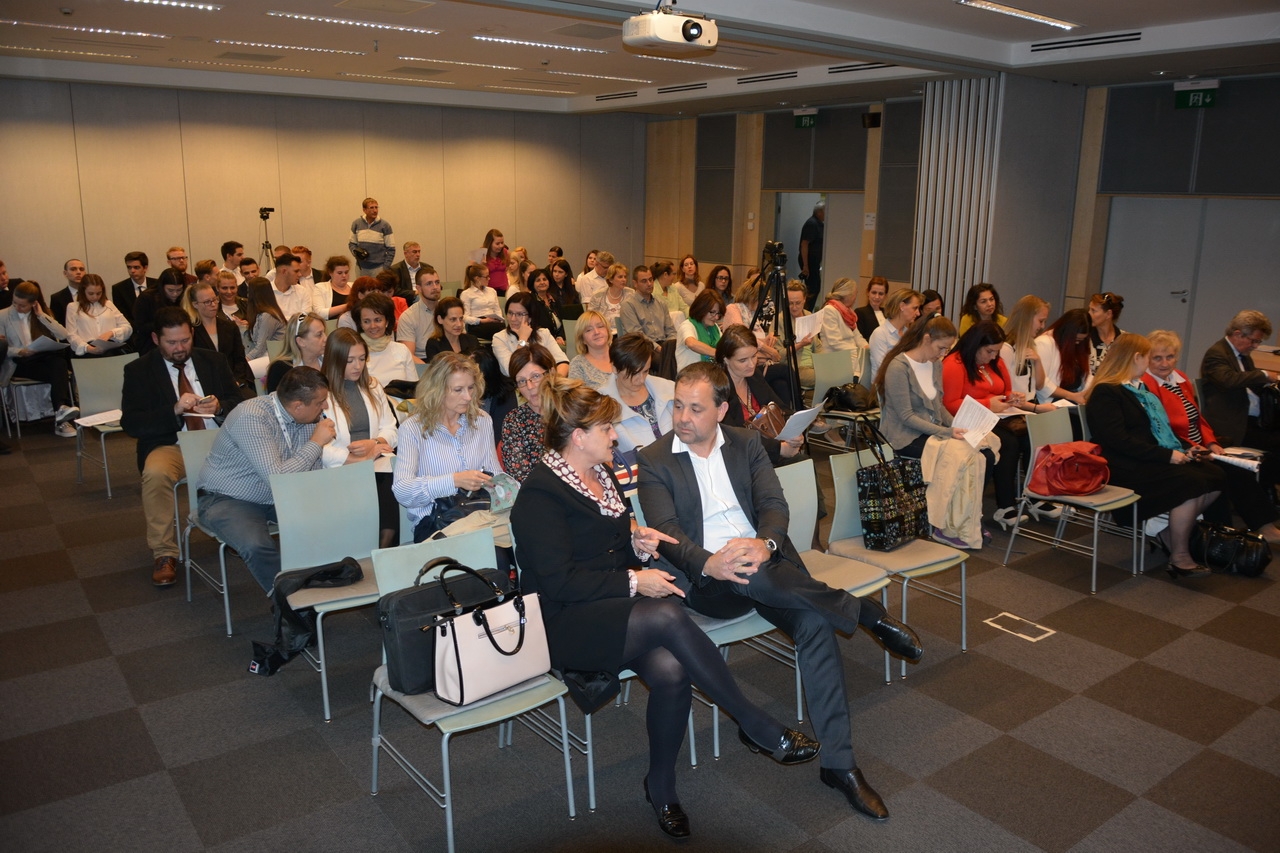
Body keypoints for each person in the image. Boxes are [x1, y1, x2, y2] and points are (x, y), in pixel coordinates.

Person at [513, 373, 821, 839]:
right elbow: (559, 582)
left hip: (612, 607)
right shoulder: (540, 494)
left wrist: (636, 544)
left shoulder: (601, 474)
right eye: (606, 428)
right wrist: (635, 579)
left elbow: (609, 546)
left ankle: (660, 785)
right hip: (564, 620)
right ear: (578, 437)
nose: (615, 435)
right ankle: (754, 722)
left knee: (673, 672)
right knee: (665, 612)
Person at [638, 362, 924, 826]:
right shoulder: (654, 458)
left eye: (695, 408)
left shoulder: (747, 443)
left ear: (721, 410)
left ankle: (840, 764)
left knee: (813, 623)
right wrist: (710, 562)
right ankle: (865, 613)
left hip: (771, 569)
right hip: (709, 581)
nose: (683, 417)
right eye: (677, 406)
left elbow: (773, 505)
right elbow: (667, 531)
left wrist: (765, 544)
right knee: (753, 574)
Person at [121, 307, 243, 586]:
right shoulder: (139, 371)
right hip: (171, 444)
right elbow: (132, 424)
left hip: (216, 441)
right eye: (172, 342)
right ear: (156, 339)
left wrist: (220, 406)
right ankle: (164, 552)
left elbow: (240, 401)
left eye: (185, 340)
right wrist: (174, 410)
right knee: (155, 474)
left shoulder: (213, 361)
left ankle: (239, 532)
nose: (180, 348)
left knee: (255, 459)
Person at [1085, 334, 1225, 578]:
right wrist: (1166, 455)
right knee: (1190, 482)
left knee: (1216, 475)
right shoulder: (1106, 392)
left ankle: (1168, 533)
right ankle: (1179, 556)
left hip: (1145, 458)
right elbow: (1118, 441)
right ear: (1136, 358)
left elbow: (1161, 430)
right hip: (1123, 465)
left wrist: (1185, 448)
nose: (1151, 362)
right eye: (1149, 357)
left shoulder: (1139, 388)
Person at [198, 366, 335, 591]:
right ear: (298, 406)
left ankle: (320, 583)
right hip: (228, 498)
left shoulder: (308, 418)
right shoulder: (251, 416)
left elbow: (310, 471)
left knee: (333, 519)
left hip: (278, 496)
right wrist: (316, 442)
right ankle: (290, 600)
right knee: (256, 545)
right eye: (320, 402)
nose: (325, 406)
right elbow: (277, 478)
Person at [1143, 329, 1280, 546]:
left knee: (1236, 469)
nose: (1165, 363)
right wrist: (1196, 448)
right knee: (1224, 473)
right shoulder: (1146, 385)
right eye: (1157, 358)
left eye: (1170, 357)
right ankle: (1221, 536)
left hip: (1199, 445)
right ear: (1146, 359)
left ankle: (1255, 528)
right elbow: (1163, 428)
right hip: (1178, 449)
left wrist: (1211, 441)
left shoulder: (1180, 378)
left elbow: (1198, 419)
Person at [873, 316, 989, 547]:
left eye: (947, 349)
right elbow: (906, 417)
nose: (943, 354)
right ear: (926, 339)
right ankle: (942, 522)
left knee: (983, 451)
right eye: (941, 348)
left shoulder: (935, 364)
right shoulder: (898, 367)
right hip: (902, 436)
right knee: (960, 456)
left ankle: (965, 519)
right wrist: (947, 432)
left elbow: (939, 407)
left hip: (928, 431)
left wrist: (958, 426)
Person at [941, 322, 1052, 529]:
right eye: (989, 351)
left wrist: (1013, 398)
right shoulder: (955, 364)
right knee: (1008, 443)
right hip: (969, 420)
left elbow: (1004, 391)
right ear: (975, 345)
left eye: (996, 352)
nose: (993, 356)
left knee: (1032, 436)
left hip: (997, 416)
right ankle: (1005, 506)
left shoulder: (995, 362)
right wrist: (987, 404)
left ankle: (1035, 496)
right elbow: (949, 404)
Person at [392, 352, 501, 543]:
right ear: (437, 390)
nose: (468, 396)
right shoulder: (412, 428)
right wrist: (454, 480)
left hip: (480, 516)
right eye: (458, 390)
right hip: (434, 522)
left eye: (471, 387)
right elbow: (402, 491)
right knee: (488, 552)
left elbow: (495, 473)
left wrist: (506, 487)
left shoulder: (482, 420)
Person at [321, 329, 399, 547]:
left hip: (377, 461)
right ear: (335, 360)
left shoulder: (372, 386)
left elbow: (391, 429)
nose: (358, 366)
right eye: (350, 361)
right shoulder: (321, 393)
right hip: (341, 467)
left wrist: (374, 443)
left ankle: (384, 549)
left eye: (362, 359)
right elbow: (318, 447)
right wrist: (357, 459)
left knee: (390, 486)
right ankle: (377, 550)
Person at [715, 324, 803, 465]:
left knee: (803, 463)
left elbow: (780, 407)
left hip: (766, 445)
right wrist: (779, 449)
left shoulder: (754, 377)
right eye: (743, 360)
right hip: (742, 455)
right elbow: (734, 435)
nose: (751, 364)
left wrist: (795, 431)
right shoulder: (718, 388)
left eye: (754, 356)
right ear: (725, 359)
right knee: (801, 463)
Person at [0, 281, 78, 435]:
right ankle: (61, 414)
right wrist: (20, 351)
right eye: (15, 303)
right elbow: (1, 348)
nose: (17, 307)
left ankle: (60, 411)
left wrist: (41, 315)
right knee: (58, 365)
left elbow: (63, 334)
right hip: (18, 362)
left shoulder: (42, 315)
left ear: (33, 303)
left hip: (39, 360)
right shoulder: (2, 315)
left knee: (59, 363)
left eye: (22, 305)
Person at [1200, 310, 1280, 454]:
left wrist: (1272, 384)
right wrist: (1264, 374)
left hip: (1252, 420)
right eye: (1253, 341)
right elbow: (1228, 380)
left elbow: (1253, 383)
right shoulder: (1216, 353)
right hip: (1235, 424)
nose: (1255, 346)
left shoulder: (1243, 355)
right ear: (1238, 334)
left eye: (1258, 342)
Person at [600, 333, 675, 461]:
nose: (641, 379)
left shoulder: (668, 388)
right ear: (615, 368)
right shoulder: (600, 404)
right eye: (634, 373)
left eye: (645, 371)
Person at [185, 280, 255, 400]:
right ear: (195, 304)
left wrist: (237, 381)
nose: (213, 304)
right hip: (206, 385)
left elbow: (239, 359)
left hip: (233, 381)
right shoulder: (191, 331)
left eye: (215, 299)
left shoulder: (230, 327)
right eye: (207, 302)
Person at [500, 343, 555, 483]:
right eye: (522, 381)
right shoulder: (514, 420)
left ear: (551, 373)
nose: (530, 386)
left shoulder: (572, 409)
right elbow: (520, 475)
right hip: (540, 491)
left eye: (535, 376)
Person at [491, 291, 570, 377]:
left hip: (546, 381)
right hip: (517, 383)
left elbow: (563, 362)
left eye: (519, 314)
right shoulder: (499, 338)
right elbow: (512, 370)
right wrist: (522, 339)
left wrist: (553, 382)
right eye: (510, 313)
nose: (513, 319)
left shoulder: (543, 333)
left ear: (530, 317)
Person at [355, 292, 416, 387]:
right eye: (366, 321)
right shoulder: (354, 353)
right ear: (361, 324)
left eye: (378, 320)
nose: (373, 326)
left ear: (387, 321)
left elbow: (414, 388)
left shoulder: (402, 350)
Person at [1033, 308, 1092, 405]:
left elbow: (1086, 376)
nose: (1077, 343)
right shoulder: (1044, 343)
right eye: (1076, 339)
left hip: (1072, 398)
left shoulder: (1081, 346)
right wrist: (1071, 396)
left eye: (1081, 340)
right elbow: (1041, 383)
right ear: (1067, 333)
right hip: (1052, 401)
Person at [65, 273, 131, 357]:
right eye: (91, 293)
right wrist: (87, 348)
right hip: (87, 351)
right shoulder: (73, 307)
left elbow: (127, 327)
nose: (95, 297)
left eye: (99, 293)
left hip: (110, 349)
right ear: (83, 291)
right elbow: (71, 335)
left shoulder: (108, 304)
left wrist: (112, 333)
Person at [999, 295, 1050, 400]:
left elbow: (1039, 386)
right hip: (1016, 406)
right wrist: (1036, 408)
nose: (1042, 326)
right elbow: (1004, 392)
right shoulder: (1007, 347)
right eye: (1041, 321)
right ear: (1027, 318)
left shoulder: (1030, 344)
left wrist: (1038, 361)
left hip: (1028, 403)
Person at [819, 278, 869, 379]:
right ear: (848, 295)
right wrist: (857, 351)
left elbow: (857, 336)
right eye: (855, 294)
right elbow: (835, 342)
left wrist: (868, 348)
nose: (855, 297)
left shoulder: (848, 312)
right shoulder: (829, 310)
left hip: (850, 356)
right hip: (836, 359)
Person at [867, 288, 922, 379]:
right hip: (886, 385)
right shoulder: (880, 334)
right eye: (915, 308)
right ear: (902, 306)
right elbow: (885, 369)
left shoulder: (909, 334)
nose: (918, 313)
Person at [619, 264, 676, 353]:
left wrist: (670, 347)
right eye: (644, 281)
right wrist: (659, 348)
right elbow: (637, 335)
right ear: (635, 284)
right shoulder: (628, 305)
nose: (649, 284)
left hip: (664, 345)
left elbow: (671, 330)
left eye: (650, 279)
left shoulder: (661, 303)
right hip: (643, 348)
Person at [267, 312, 327, 394]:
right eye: (319, 335)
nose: (326, 338)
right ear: (301, 341)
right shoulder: (281, 369)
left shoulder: (330, 361)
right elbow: (275, 401)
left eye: (324, 332)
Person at [132, 271, 187, 354]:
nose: (175, 294)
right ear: (162, 287)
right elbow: (140, 326)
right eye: (170, 290)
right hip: (151, 344)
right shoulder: (146, 298)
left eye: (179, 290)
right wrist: (165, 323)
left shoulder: (184, 296)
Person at [394, 265, 441, 360]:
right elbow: (408, 356)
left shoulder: (448, 310)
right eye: (429, 284)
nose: (435, 287)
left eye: (437, 282)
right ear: (418, 288)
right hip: (422, 361)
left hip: (448, 359)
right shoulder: (408, 317)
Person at [675, 289, 725, 371]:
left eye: (718, 313)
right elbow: (691, 343)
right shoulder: (687, 325)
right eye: (712, 312)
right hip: (690, 376)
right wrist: (718, 354)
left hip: (711, 374)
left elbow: (724, 346)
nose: (716, 317)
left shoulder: (715, 327)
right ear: (701, 309)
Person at [567, 309, 615, 389]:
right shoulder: (578, 364)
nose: (596, 332)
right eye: (588, 330)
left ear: (608, 330)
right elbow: (575, 395)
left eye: (600, 326)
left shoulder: (624, 355)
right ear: (582, 339)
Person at [242, 278, 287, 361]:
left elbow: (260, 348)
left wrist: (244, 362)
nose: (247, 295)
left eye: (249, 292)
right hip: (268, 355)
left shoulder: (267, 316)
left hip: (273, 357)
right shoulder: (263, 314)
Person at [423, 296, 480, 361]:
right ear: (440, 319)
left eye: (461, 319)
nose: (459, 324)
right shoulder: (434, 344)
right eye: (453, 319)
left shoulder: (472, 340)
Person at [350, 197, 395, 275]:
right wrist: (357, 254)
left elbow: (391, 248)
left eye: (376, 207)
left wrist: (385, 268)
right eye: (371, 208)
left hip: (379, 268)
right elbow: (352, 244)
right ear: (364, 210)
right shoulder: (356, 224)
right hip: (361, 268)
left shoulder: (385, 226)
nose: (375, 210)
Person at [459, 262, 504, 339]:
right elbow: (464, 317)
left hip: (493, 322)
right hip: (477, 324)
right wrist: (481, 321)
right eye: (486, 277)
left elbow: (497, 310)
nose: (489, 279)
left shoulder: (492, 291)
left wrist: (499, 319)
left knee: (505, 328)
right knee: (500, 330)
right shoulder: (466, 294)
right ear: (477, 278)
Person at [112, 251, 158, 324]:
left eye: (136, 267)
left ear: (145, 268)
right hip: (132, 328)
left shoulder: (156, 285)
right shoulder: (119, 289)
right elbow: (122, 316)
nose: (132, 271)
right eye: (129, 267)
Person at [1087, 292, 1126, 374]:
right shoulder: (1085, 337)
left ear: (1108, 314)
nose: (1088, 313)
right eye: (1089, 309)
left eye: (1093, 310)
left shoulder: (1124, 340)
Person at [798, 200, 825, 309]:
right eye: (825, 211)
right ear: (819, 212)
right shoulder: (812, 224)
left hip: (814, 262)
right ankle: (806, 310)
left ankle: (808, 310)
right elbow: (804, 244)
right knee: (812, 289)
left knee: (815, 287)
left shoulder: (819, 224)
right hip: (809, 262)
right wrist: (805, 265)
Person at [311, 255, 353, 321]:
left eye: (346, 272)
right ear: (330, 273)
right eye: (340, 273)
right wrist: (348, 306)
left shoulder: (354, 286)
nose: (344, 275)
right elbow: (319, 313)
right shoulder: (320, 287)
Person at [589, 262, 629, 329]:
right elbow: (590, 318)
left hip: (625, 332)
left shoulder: (630, 294)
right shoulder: (597, 296)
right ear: (610, 279)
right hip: (603, 331)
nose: (624, 280)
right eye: (620, 277)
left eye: (625, 277)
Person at [50, 258, 87, 326]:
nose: (78, 272)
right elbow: (57, 324)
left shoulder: (94, 294)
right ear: (65, 273)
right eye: (73, 269)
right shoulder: (57, 298)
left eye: (81, 269)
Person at [476, 228, 511, 296]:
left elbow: (507, 267)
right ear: (489, 243)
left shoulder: (505, 252)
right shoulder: (481, 254)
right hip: (487, 291)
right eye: (497, 244)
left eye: (502, 243)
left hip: (504, 291)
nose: (501, 246)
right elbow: (474, 273)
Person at [854, 276, 889, 341]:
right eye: (874, 293)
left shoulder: (889, 314)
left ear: (885, 296)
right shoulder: (860, 313)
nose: (877, 297)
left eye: (881, 294)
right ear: (868, 293)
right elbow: (859, 339)